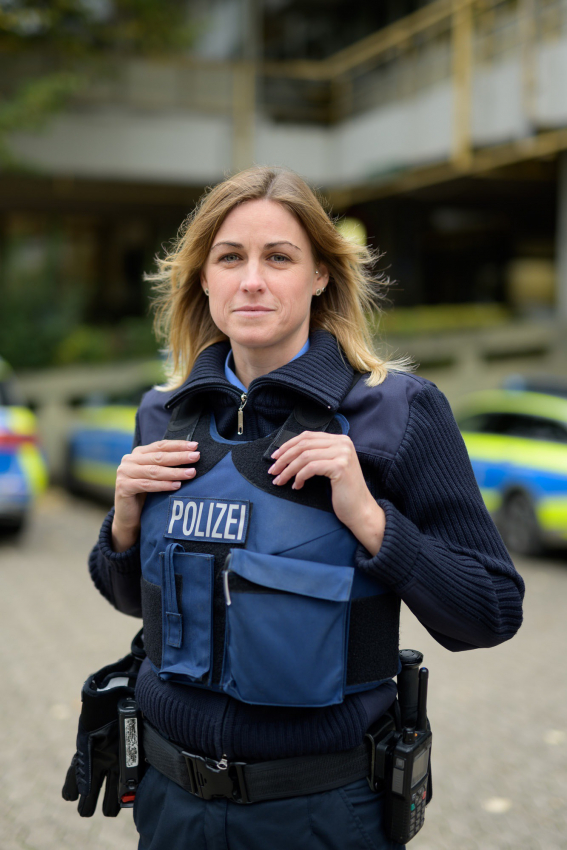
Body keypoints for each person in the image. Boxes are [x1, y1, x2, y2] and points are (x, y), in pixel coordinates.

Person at [88, 166, 524, 850]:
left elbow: (491, 611)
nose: (251, 281)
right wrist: (123, 521)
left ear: (321, 274)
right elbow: (130, 601)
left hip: (321, 811)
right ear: (202, 277)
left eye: (279, 257)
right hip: (171, 805)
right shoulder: (162, 414)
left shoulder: (396, 413)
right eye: (229, 257)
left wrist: (370, 519)